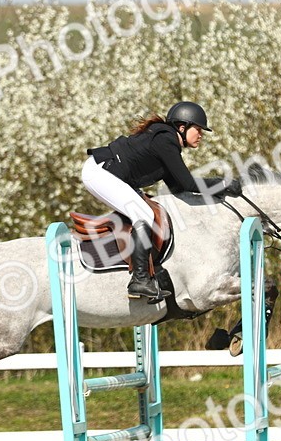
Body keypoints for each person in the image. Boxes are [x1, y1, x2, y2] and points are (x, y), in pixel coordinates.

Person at [83, 101, 241, 301]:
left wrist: (214, 195)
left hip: (107, 172)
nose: (201, 135)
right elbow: (188, 183)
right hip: (99, 173)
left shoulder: (166, 142)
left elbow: (178, 187)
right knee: (145, 215)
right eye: (198, 129)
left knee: (147, 211)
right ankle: (139, 279)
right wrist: (222, 184)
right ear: (182, 127)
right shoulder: (166, 140)